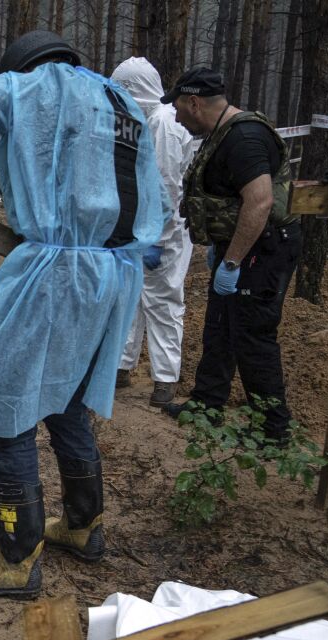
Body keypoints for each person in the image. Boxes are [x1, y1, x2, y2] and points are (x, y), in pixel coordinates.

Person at [0, 30, 166, 599]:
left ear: (23, 67)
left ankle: (15, 558)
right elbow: (156, 199)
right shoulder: (121, 102)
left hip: (49, 273)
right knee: (68, 399)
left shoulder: (26, 88)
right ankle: (83, 526)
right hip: (111, 273)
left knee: (11, 402)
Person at [159, 67, 300, 440]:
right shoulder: (220, 134)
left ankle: (272, 429)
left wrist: (233, 260)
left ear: (194, 102)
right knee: (220, 328)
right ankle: (207, 406)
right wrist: (224, 252)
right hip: (239, 248)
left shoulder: (245, 138)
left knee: (252, 336)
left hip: (262, 251)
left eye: (178, 108)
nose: (175, 116)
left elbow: (261, 201)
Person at [110, 57, 197, 407]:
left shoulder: (163, 123)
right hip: (144, 230)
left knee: (162, 303)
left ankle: (164, 380)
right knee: (131, 300)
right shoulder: (148, 121)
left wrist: (157, 240)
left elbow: (167, 188)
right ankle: (122, 366)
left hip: (167, 233)